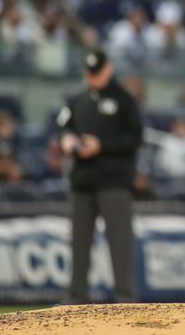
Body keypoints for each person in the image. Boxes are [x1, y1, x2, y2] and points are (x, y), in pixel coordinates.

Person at [56, 49, 143, 303]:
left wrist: (101, 145)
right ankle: (76, 297)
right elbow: (63, 128)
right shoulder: (78, 100)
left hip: (114, 181)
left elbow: (135, 138)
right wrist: (68, 141)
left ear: (109, 69)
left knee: (119, 240)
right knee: (79, 241)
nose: (93, 78)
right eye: (89, 73)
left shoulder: (125, 100)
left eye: (97, 72)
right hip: (83, 181)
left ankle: (125, 297)